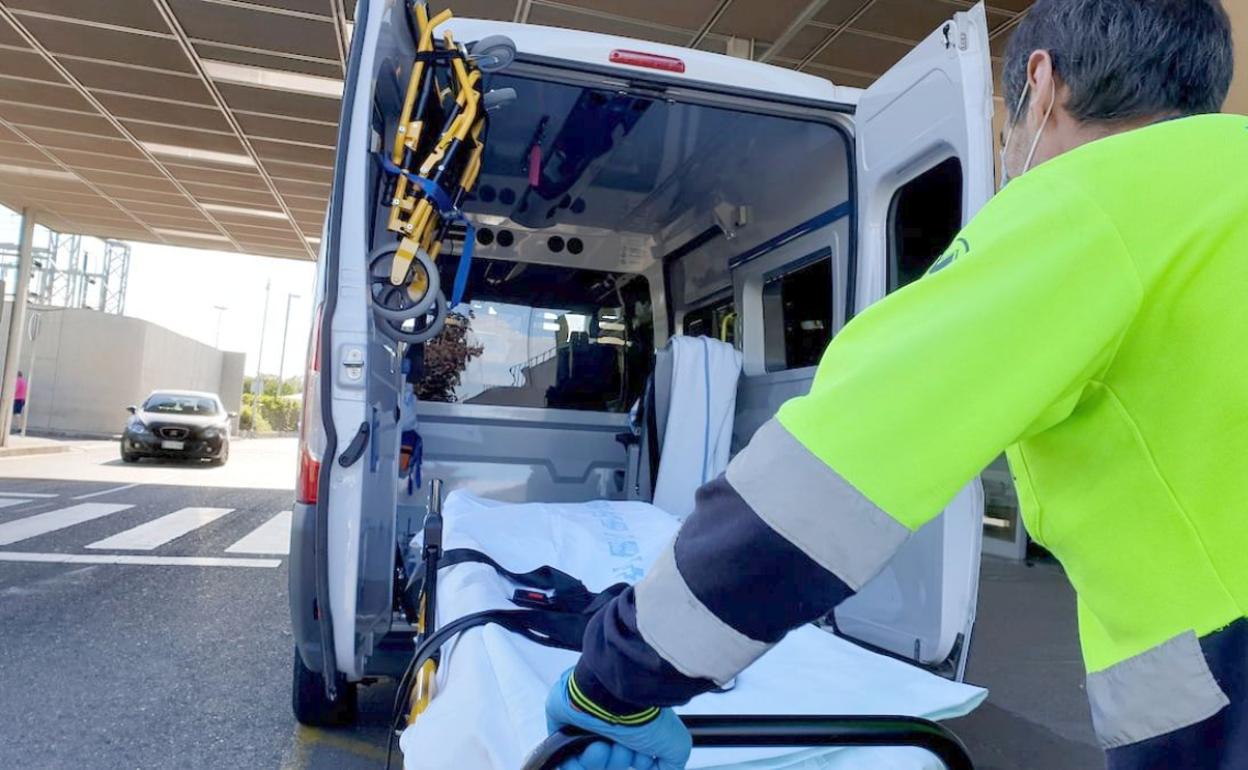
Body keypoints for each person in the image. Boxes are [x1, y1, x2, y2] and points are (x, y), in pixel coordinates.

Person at [543, 1, 1245, 769]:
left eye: (1006, 128)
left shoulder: (1091, 202)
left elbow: (828, 477)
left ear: (1042, 86)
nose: (1010, 152)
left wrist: (613, 678)